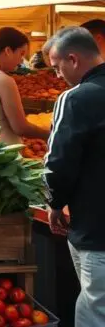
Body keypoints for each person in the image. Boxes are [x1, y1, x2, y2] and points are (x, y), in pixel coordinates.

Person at [42, 27, 105, 325]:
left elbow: (58, 163)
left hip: (95, 230)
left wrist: (54, 203)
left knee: (93, 313)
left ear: (73, 59)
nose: (58, 76)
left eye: (57, 68)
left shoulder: (76, 98)